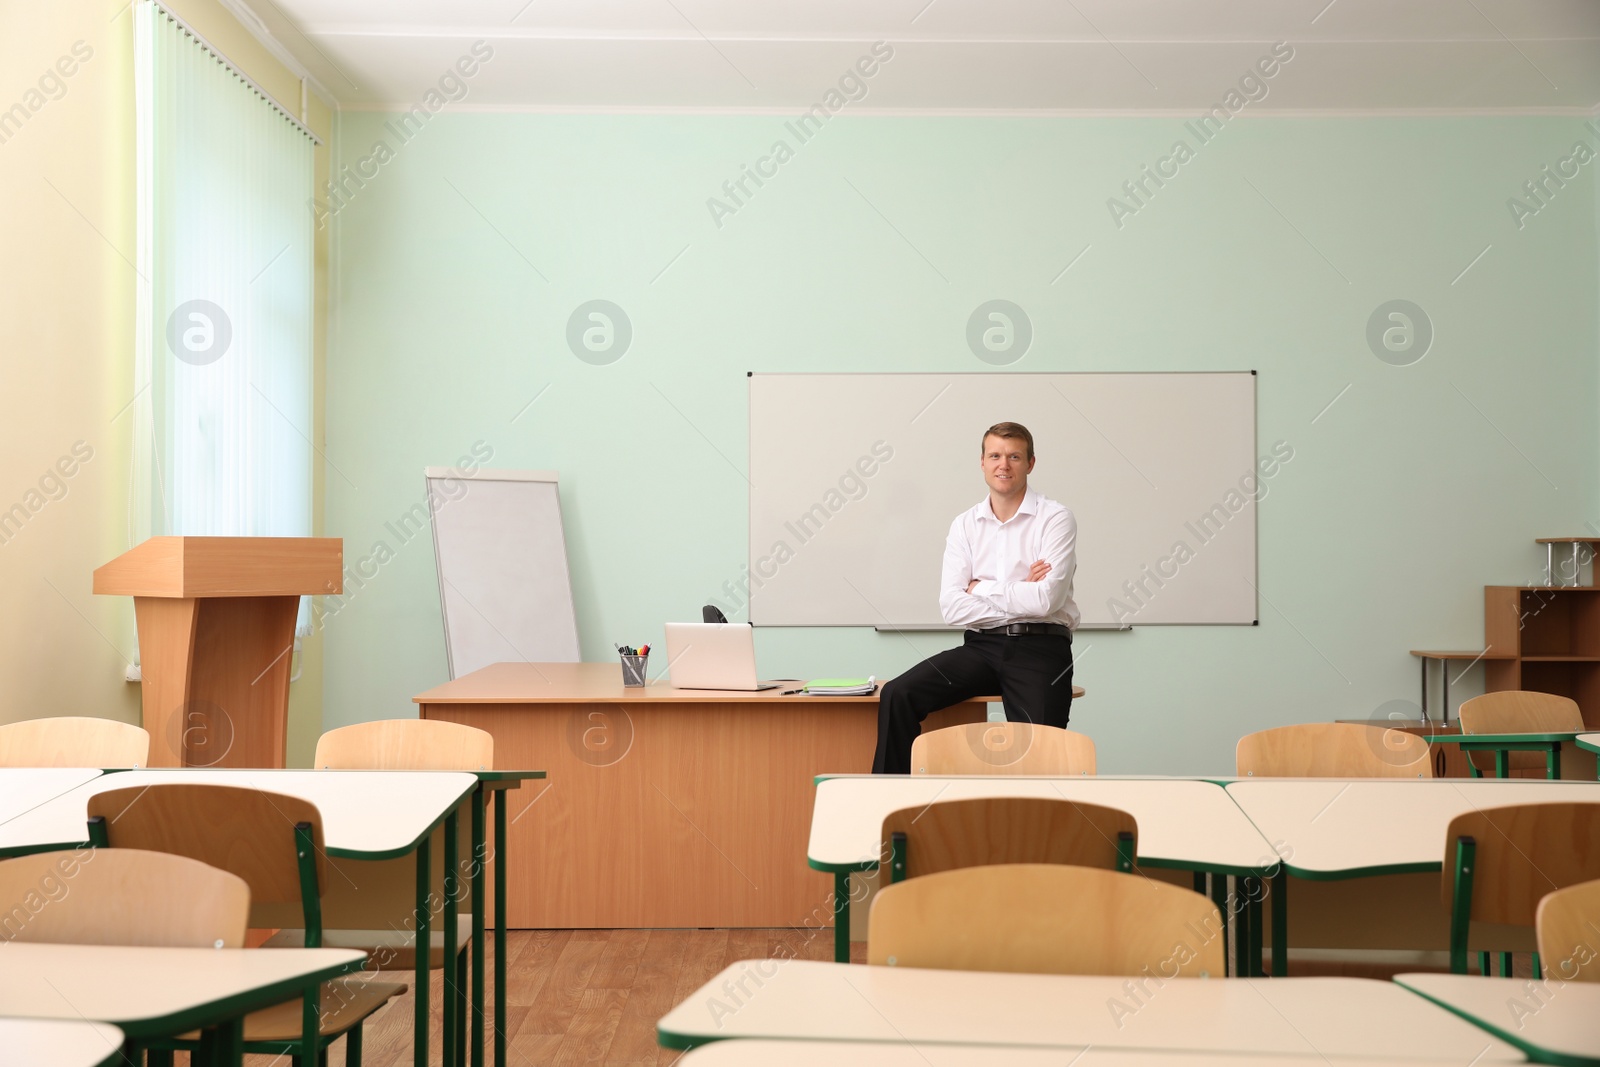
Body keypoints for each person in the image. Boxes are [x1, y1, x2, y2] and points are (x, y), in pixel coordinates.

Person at [871, 421, 1078, 774]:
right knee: (897, 694)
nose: (1004, 465)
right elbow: (951, 606)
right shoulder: (965, 524)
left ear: (1030, 463)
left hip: (1041, 649)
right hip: (981, 648)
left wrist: (981, 586)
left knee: (1040, 753)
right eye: (995, 455)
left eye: (1014, 456)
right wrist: (1019, 588)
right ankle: (889, 803)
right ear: (982, 462)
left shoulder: (1055, 518)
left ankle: (1035, 823)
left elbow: (1046, 601)